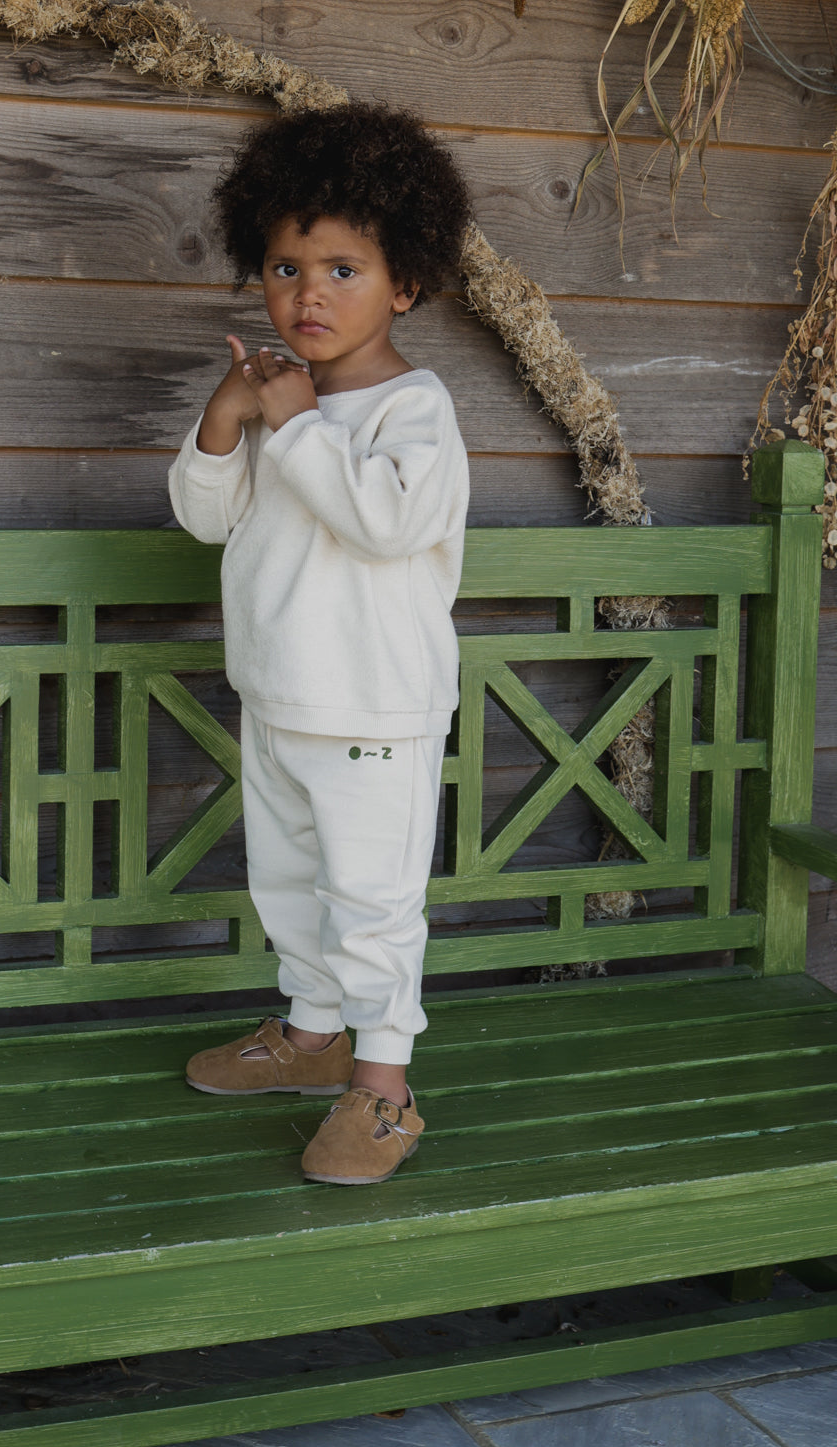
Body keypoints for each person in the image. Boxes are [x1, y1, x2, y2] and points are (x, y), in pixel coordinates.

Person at [167, 101, 471, 1185]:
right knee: (290, 884)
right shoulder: (275, 402)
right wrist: (224, 419)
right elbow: (209, 518)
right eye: (287, 267)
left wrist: (291, 424)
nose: (310, 293)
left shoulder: (414, 411)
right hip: (281, 700)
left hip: (375, 710)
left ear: (408, 282)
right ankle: (309, 1036)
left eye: (344, 269)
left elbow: (386, 522)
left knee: (373, 902)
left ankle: (383, 1092)